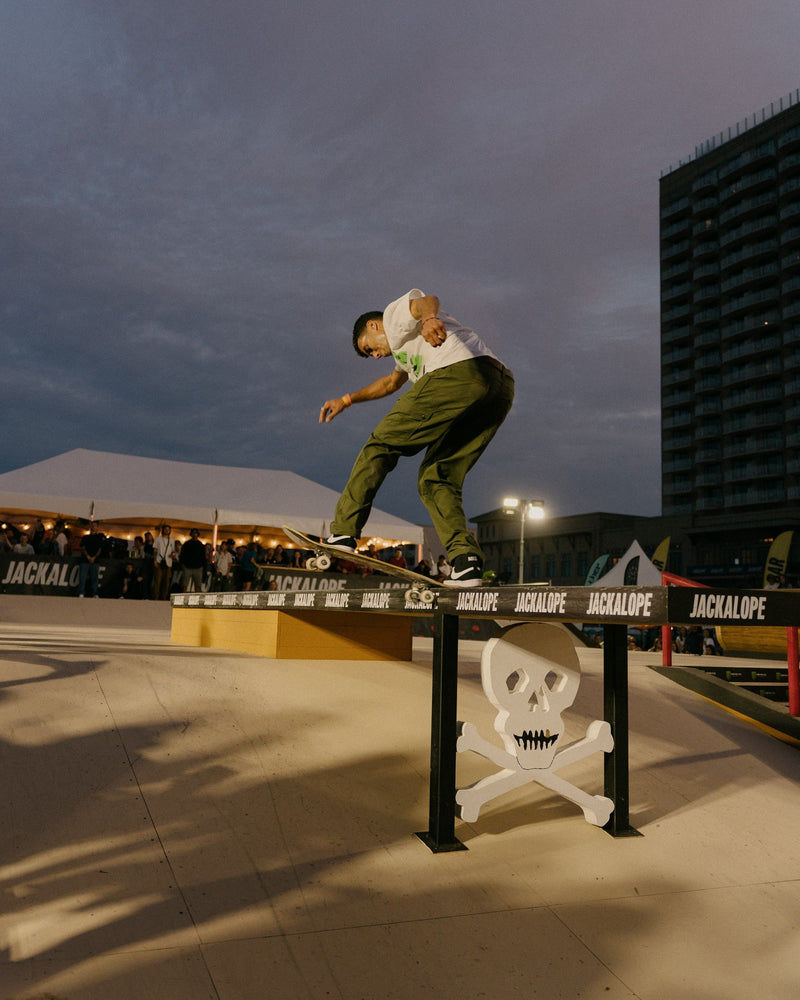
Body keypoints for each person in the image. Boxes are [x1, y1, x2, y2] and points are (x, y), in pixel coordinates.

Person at [319, 288, 514, 587]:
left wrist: (428, 319)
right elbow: (390, 383)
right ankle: (466, 563)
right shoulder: (405, 352)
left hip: (455, 373)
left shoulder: (392, 317)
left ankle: (344, 531)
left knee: (379, 445)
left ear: (373, 327)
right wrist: (346, 400)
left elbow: (426, 301)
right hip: (497, 387)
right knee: (437, 477)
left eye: (368, 347)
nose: (374, 355)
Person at [79, 524, 105, 597]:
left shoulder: (99, 538)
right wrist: (88, 556)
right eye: (92, 526)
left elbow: (100, 549)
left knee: (95, 578)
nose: (93, 527)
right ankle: (81, 592)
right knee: (82, 577)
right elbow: (82, 547)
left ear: (97, 528)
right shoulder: (85, 537)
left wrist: (94, 557)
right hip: (85, 560)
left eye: (95, 526)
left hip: (95, 561)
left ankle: (95, 593)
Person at [152, 525, 176, 600]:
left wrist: (173, 555)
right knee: (158, 580)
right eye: (165, 529)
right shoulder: (158, 539)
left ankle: (164, 597)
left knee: (166, 581)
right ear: (163, 530)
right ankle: (156, 597)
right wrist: (155, 560)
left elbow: (173, 551)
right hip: (159, 561)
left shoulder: (172, 540)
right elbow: (155, 550)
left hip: (168, 562)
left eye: (168, 529)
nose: (167, 531)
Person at [179, 528, 207, 593]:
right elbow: (182, 554)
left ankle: (196, 600)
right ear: (191, 534)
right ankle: (184, 598)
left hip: (198, 567)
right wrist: (182, 564)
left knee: (198, 586)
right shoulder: (187, 544)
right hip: (187, 567)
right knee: (184, 585)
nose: (195, 535)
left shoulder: (200, 545)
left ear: (197, 535)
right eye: (193, 533)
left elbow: (203, 556)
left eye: (196, 533)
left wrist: (203, 566)